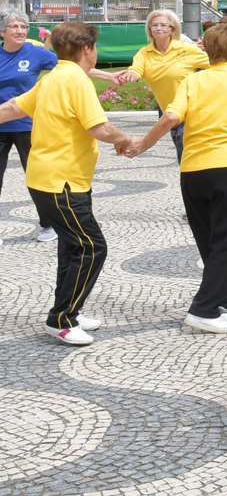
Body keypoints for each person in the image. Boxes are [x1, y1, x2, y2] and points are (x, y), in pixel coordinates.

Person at [120, 24, 227, 334]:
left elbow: (171, 116)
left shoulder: (192, 80)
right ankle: (203, 309)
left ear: (208, 53)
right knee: (226, 242)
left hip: (193, 171)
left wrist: (144, 143)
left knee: (210, 241)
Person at [0, 21, 138, 345]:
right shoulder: (76, 80)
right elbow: (100, 128)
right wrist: (125, 139)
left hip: (54, 178)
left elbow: (13, 107)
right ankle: (61, 319)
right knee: (92, 247)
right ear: (87, 49)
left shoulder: (52, 77)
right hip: (60, 182)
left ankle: (70, 311)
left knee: (71, 246)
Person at [113, 10, 211, 164]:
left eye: (164, 25)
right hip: (171, 115)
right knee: (185, 159)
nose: (158, 28)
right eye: (154, 25)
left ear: (172, 29)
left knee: (188, 158)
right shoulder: (144, 53)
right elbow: (136, 69)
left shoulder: (187, 49)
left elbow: (216, 64)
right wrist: (131, 74)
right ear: (149, 29)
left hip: (193, 111)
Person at [0, 9, 59, 244]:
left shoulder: (35, 53)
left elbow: (70, 69)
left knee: (37, 177)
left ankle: (49, 225)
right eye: (14, 26)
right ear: (2, 31)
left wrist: (108, 76)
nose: (20, 30)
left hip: (28, 126)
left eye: (24, 26)